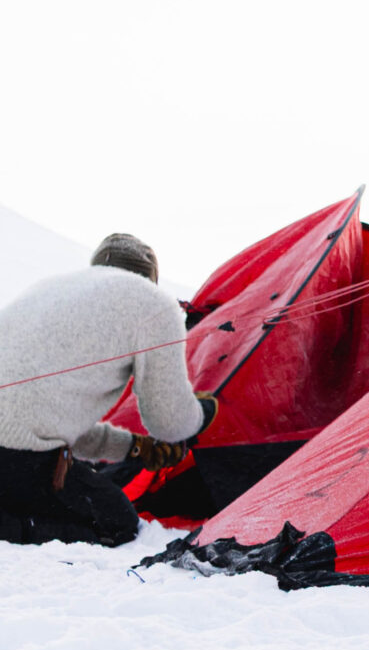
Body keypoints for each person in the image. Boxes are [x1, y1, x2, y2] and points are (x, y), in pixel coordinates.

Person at [0, 233, 214, 546]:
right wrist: (202, 414)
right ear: (150, 279)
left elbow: (48, 421)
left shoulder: (50, 288)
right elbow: (168, 421)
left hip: (19, 451)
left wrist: (135, 447)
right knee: (116, 522)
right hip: (21, 461)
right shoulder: (151, 304)